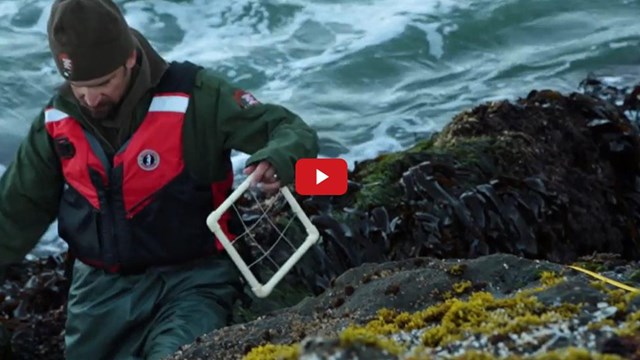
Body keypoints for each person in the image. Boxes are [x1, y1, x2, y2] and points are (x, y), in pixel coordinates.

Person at [0, 0, 319, 359]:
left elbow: (287, 129)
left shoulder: (197, 96)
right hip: (98, 294)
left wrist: (278, 158)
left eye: (103, 82)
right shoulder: (56, 121)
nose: (90, 99)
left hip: (193, 280)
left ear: (130, 58)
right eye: (78, 86)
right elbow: (14, 210)